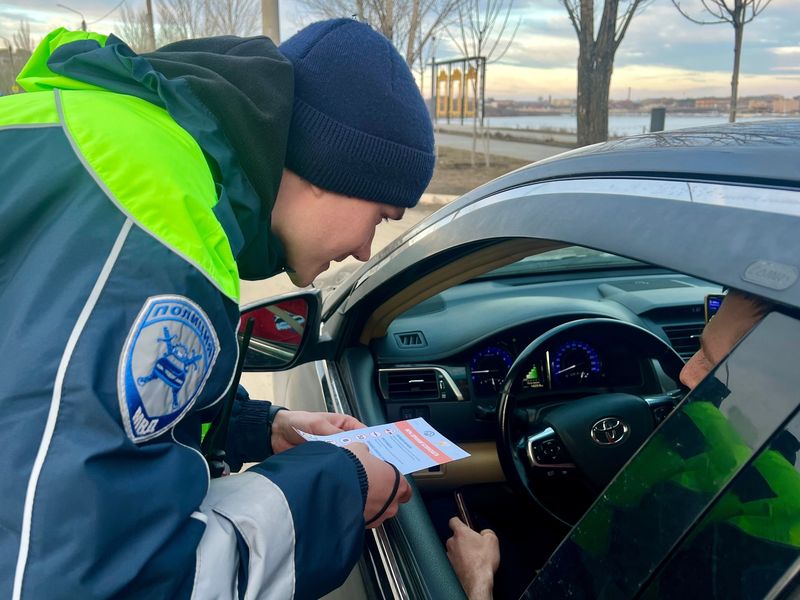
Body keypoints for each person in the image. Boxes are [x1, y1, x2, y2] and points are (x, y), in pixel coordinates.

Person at [0, 18, 433, 600]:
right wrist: (341, 488)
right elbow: (95, 577)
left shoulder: (105, 144)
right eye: (379, 217)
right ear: (329, 168)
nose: (364, 250)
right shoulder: (161, 225)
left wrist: (260, 427)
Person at [444, 289, 784, 599]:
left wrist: (478, 580)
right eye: (698, 349)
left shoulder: (727, 556)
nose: (685, 373)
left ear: (777, 387)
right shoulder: (765, 467)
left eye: (712, 363)